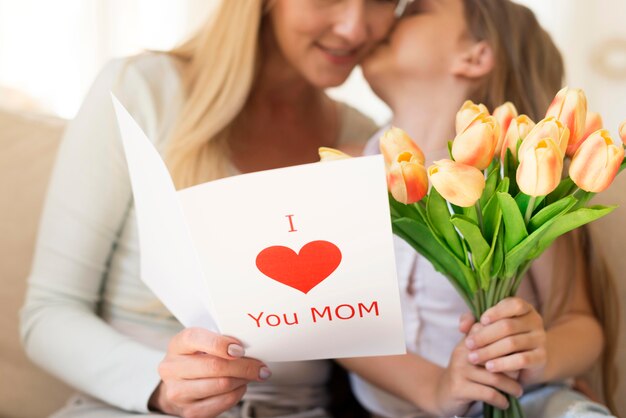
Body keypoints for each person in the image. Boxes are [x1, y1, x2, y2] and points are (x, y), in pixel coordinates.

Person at [19, 1, 410, 417]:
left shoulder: (364, 141)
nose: (354, 28)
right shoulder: (140, 91)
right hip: (132, 407)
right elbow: (48, 313)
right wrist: (161, 385)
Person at [341, 0, 619, 417]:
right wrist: (436, 388)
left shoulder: (524, 176)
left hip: (522, 399)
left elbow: (578, 320)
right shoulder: (344, 170)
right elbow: (338, 327)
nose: (383, 21)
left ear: (476, 55)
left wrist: (539, 357)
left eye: (414, 12)